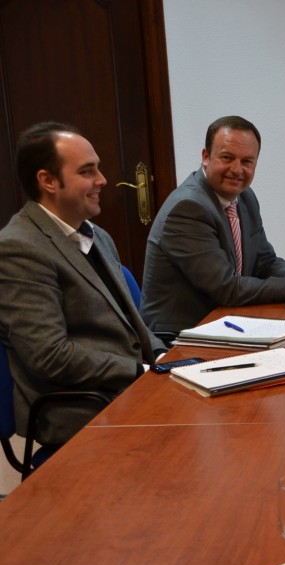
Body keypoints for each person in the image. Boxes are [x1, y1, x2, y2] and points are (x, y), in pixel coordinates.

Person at [0, 122, 167, 453]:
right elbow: (49, 356)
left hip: (131, 392)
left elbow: (133, 324)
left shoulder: (95, 234)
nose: (102, 180)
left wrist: (163, 356)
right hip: (84, 413)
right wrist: (140, 370)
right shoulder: (18, 248)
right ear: (48, 181)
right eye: (87, 171)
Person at [141, 115, 285, 336]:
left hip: (228, 321)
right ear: (205, 157)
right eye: (227, 158)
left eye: (247, 161)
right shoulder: (188, 208)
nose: (237, 170)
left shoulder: (245, 197)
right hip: (181, 335)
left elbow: (265, 262)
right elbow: (226, 288)